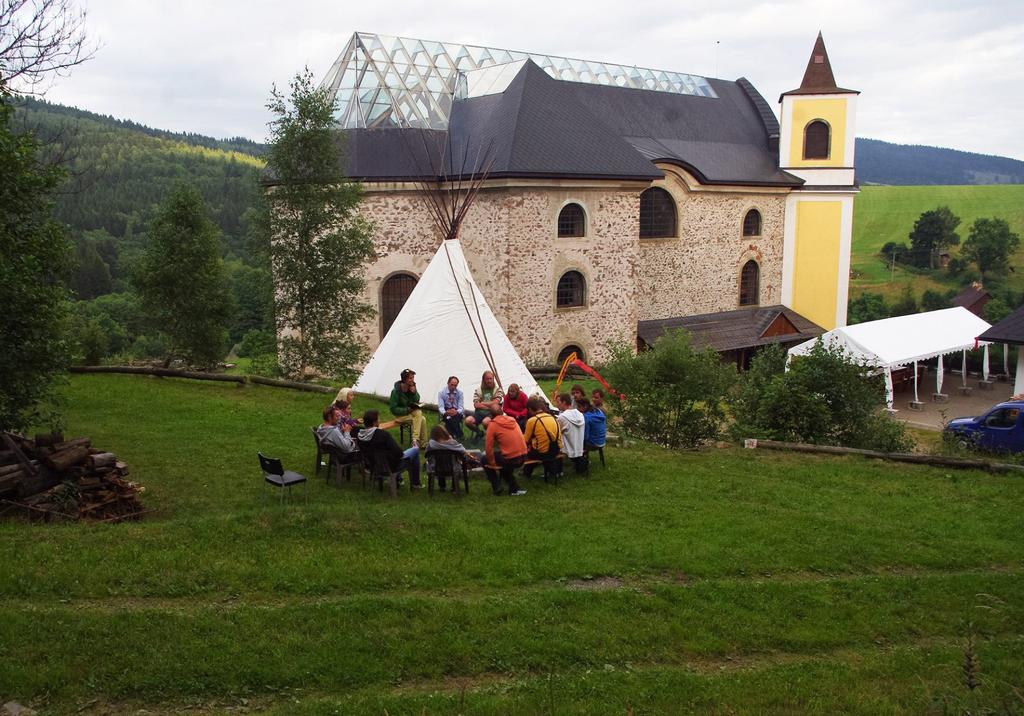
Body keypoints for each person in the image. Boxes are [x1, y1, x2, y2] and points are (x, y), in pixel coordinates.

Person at [357, 409, 422, 488]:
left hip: (373, 465)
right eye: (378, 419)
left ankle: (399, 479)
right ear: (374, 422)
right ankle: (416, 484)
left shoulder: (360, 435)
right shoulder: (382, 435)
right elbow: (398, 453)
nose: (380, 421)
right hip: (390, 466)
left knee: (392, 454)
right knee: (415, 450)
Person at [483, 405, 527, 496]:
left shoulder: (493, 425)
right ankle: (514, 489)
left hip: (512, 459)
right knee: (503, 460)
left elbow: (488, 448)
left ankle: (497, 486)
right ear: (502, 412)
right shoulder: (512, 420)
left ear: (491, 415)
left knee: (484, 459)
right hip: (523, 456)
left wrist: (492, 463)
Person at [425, 424, 482, 491]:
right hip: (453, 468)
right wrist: (451, 439)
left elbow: (426, 454)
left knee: (439, 462)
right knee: (455, 462)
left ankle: (442, 487)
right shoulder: (453, 443)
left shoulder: (431, 444)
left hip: (435, 467)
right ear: (445, 433)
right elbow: (462, 450)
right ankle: (454, 487)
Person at [522, 396, 561, 478]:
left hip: (543, 452)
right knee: (539, 447)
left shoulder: (532, 420)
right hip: (556, 449)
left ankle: (526, 473)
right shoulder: (552, 417)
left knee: (530, 453)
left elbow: (525, 440)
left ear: (530, 409)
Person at [389, 368, 428, 446]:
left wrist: (414, 393)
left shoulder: (411, 387)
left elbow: (417, 400)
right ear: (405, 379)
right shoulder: (396, 391)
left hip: (411, 414)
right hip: (400, 416)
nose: (412, 380)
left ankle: (423, 444)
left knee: (422, 418)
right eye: (410, 378)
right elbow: (393, 409)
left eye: (413, 378)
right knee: (419, 415)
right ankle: (415, 440)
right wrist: (407, 410)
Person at [465, 370, 504, 442]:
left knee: (485, 422)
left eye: (491, 379)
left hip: (491, 414)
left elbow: (496, 402)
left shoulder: (498, 390)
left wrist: (482, 403)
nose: (489, 381)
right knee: (468, 421)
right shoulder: (478, 390)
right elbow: (476, 405)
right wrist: (490, 405)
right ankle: (480, 433)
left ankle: (491, 437)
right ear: (484, 380)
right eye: (487, 379)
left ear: (493, 379)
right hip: (479, 413)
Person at [555, 392, 587, 474]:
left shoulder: (562, 417)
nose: (557, 405)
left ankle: (556, 471)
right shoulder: (580, 414)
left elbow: (556, 432)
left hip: (567, 447)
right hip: (579, 446)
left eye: (558, 402)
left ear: (564, 402)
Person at [436, 375, 466, 440]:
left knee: (451, 419)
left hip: (456, 411)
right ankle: (459, 434)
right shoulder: (441, 393)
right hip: (447, 410)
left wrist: (456, 411)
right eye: (451, 385)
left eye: (455, 386)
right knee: (449, 418)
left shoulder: (460, 393)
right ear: (448, 383)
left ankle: (450, 435)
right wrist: (445, 412)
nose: (453, 387)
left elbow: (461, 407)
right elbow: (441, 407)